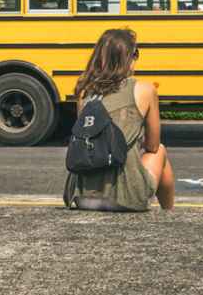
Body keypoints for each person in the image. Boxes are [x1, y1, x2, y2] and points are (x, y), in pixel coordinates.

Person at [72, 28, 175, 211]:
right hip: (125, 198)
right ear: (128, 58)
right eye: (135, 54)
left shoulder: (84, 90)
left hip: (82, 198)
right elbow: (152, 145)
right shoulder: (145, 90)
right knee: (160, 151)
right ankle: (169, 212)